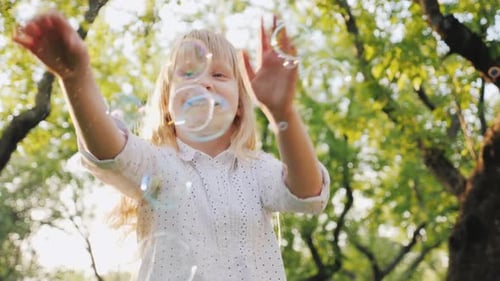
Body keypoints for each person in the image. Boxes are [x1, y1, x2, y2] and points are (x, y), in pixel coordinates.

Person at [13, 10, 330, 281]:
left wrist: (282, 113)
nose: (205, 82)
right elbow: (109, 151)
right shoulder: (155, 164)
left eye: (219, 74)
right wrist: (75, 77)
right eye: (189, 73)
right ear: (167, 103)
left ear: (239, 106)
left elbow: (308, 193)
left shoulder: (258, 169)